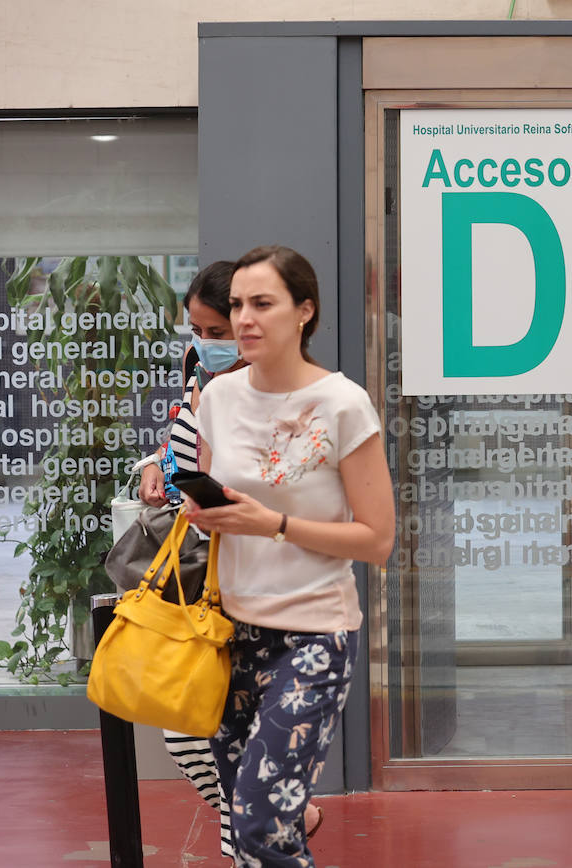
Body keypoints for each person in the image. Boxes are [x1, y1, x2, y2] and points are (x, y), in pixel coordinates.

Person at [188, 245, 395, 866]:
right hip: (227, 634)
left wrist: (274, 523)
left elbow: (377, 540)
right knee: (251, 831)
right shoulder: (217, 399)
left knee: (258, 824)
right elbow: (208, 495)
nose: (245, 319)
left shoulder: (342, 403)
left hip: (312, 635)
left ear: (304, 312)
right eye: (237, 305)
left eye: (263, 304)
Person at [137, 260, 284, 860]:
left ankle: (253, 834)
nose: (204, 344)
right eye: (196, 330)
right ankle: (262, 826)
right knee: (190, 728)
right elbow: (182, 440)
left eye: (216, 332)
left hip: (251, 578)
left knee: (211, 728)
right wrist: (153, 465)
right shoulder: (199, 371)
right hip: (197, 568)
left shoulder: (276, 389)